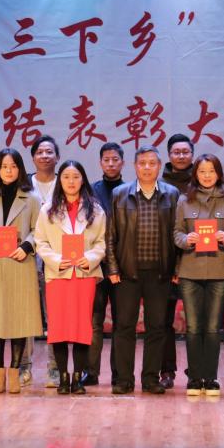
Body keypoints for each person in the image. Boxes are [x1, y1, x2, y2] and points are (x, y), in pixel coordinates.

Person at [105, 146, 181, 395]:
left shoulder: (171, 194)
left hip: (160, 272)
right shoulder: (119, 194)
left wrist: (176, 268)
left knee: (157, 327)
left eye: (152, 163)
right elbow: (110, 235)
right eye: (142, 163)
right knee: (124, 326)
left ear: (159, 166)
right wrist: (113, 267)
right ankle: (124, 380)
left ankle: (150, 378)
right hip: (127, 272)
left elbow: (177, 234)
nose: (147, 167)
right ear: (134, 166)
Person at [0, 148, 44, 394]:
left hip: (20, 263)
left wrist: (27, 246)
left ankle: (15, 372)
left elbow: (39, 230)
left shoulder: (32, 198)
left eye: (13, 166)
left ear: (20, 169)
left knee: (18, 320)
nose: (9, 171)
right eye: (4, 166)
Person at [35, 161, 107, 395]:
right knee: (59, 328)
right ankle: (63, 378)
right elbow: (40, 242)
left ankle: (77, 377)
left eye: (76, 176)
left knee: (81, 328)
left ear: (83, 179)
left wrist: (91, 258)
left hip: (84, 275)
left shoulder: (95, 210)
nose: (71, 181)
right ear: (60, 180)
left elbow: (101, 243)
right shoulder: (47, 210)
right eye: (66, 177)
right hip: (58, 275)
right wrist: (56, 260)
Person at [173, 154, 224, 396]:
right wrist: (186, 239)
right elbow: (176, 233)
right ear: (195, 174)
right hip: (190, 270)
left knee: (212, 328)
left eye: (211, 171)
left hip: (219, 270)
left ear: (218, 173)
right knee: (193, 327)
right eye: (202, 171)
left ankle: (210, 378)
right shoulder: (184, 201)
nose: (207, 175)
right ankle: (194, 377)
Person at [88, 142, 126, 386]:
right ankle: (91, 372)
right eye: (106, 160)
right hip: (97, 265)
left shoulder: (130, 190)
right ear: (100, 162)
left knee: (121, 323)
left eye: (115, 159)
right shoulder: (91, 191)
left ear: (122, 162)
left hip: (123, 266)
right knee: (94, 322)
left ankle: (119, 374)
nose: (111, 164)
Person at [159, 133, 194, 389]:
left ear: (192, 154)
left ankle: (197, 371)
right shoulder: (160, 185)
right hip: (167, 263)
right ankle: (166, 371)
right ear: (169, 156)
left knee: (196, 323)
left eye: (185, 152)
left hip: (196, 260)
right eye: (176, 152)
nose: (181, 156)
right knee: (163, 322)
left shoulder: (202, 183)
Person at [30, 134, 60, 388]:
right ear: (33, 157)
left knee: (55, 316)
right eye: (40, 152)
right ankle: (23, 366)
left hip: (56, 259)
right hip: (27, 258)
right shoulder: (24, 186)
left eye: (49, 152)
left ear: (57, 157)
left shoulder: (65, 183)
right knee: (26, 314)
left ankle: (54, 368)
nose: (44, 156)